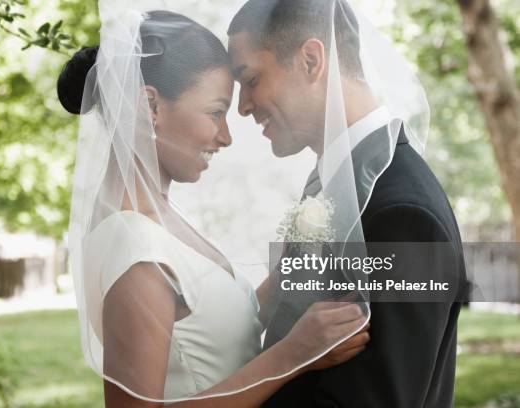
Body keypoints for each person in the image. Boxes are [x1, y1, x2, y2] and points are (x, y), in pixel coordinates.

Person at [59, 6, 369, 407]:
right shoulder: (135, 249)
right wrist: (292, 356)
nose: (225, 137)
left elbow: (206, 331)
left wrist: (288, 271)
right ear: (150, 106)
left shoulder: (157, 221)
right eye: (215, 113)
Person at [228, 0, 467, 407]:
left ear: (310, 60)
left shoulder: (402, 215)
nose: (243, 105)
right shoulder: (337, 186)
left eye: (250, 79)